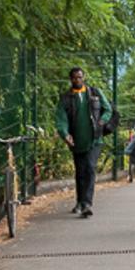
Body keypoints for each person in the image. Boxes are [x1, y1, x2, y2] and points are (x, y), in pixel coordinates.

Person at [55, 67, 112, 218]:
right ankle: (80, 202)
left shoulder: (94, 93)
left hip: (95, 139)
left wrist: (102, 121)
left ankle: (87, 203)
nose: (77, 80)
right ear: (71, 79)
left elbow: (108, 109)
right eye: (74, 78)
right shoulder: (66, 98)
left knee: (90, 167)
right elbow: (61, 120)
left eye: (80, 77)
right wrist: (65, 134)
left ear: (84, 77)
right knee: (80, 172)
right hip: (77, 142)